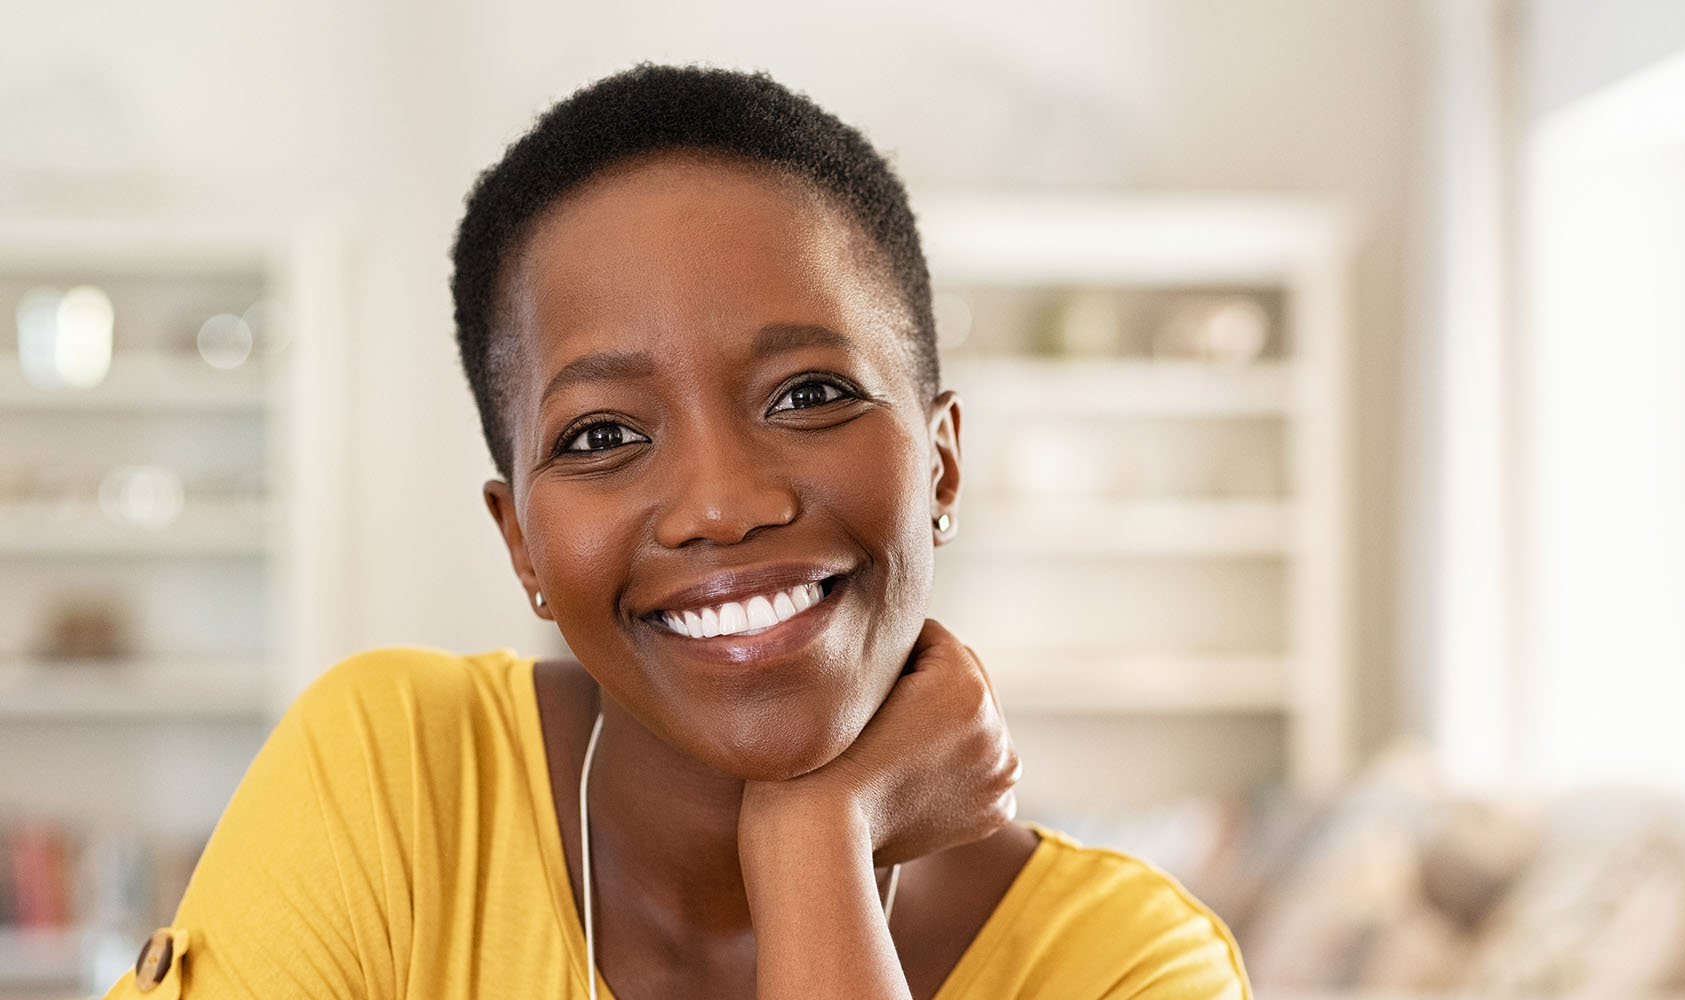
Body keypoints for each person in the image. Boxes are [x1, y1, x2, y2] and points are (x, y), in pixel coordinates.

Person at [100, 64, 1250, 999]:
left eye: (808, 394)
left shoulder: (1129, 967)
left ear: (941, 458)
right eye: (600, 434)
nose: (721, 504)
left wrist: (812, 845)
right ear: (521, 544)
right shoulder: (398, 778)